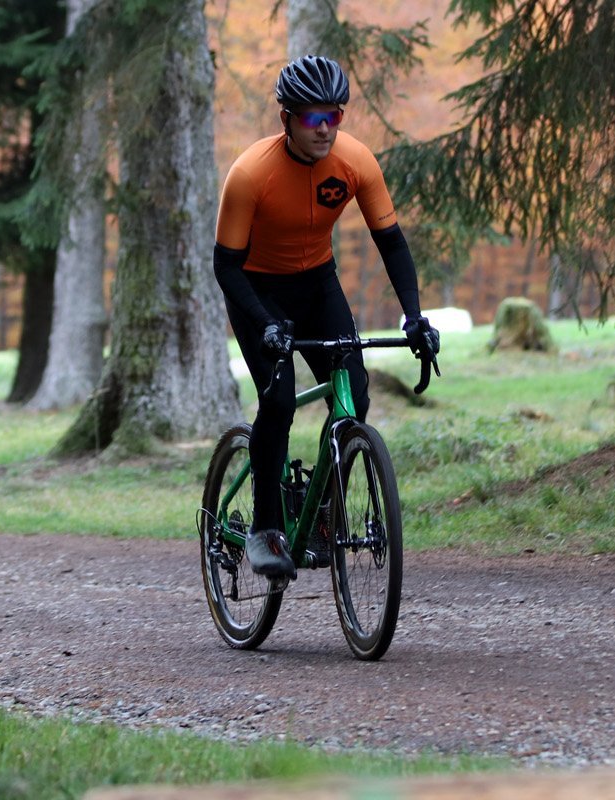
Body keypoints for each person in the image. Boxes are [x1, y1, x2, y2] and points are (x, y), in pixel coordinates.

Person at [213, 54, 439, 580]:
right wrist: (264, 322)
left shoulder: (355, 161)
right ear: (286, 118)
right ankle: (266, 527)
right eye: (313, 118)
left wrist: (414, 317)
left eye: (334, 117)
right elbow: (224, 266)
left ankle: (318, 514)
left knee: (353, 394)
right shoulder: (250, 174)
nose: (325, 130)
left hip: (317, 283)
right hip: (257, 290)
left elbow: (392, 243)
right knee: (279, 397)